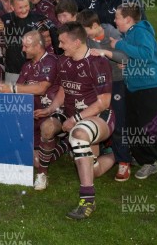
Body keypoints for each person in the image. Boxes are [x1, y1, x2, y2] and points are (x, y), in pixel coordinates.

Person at [37, 22, 115, 219]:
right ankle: (42, 174)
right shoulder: (64, 61)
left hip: (98, 116)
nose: (60, 46)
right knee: (47, 127)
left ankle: (87, 200)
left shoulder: (98, 62)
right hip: (72, 113)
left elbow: (103, 102)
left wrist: (75, 119)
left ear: (77, 42)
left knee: (78, 135)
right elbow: (63, 89)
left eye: (63, 42)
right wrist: (51, 108)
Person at [111, 3, 157, 181]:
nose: (114, 20)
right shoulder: (129, 33)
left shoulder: (141, 31)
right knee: (133, 128)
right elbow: (138, 58)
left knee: (149, 128)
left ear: (128, 19)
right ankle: (148, 161)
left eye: (117, 17)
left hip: (150, 87)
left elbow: (147, 54)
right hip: (133, 87)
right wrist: (126, 65)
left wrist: (120, 44)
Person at [0, 31, 67, 180]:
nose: (23, 49)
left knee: (46, 131)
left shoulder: (51, 61)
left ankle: (63, 146)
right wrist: (4, 92)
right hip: (32, 115)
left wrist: (12, 89)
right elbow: (19, 91)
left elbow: (41, 88)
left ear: (38, 46)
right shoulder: (27, 66)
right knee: (35, 160)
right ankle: (62, 145)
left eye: (26, 46)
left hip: (53, 112)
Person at [77, 9, 130, 181]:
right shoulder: (89, 38)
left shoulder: (112, 33)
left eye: (85, 31)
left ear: (94, 26)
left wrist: (105, 53)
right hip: (99, 84)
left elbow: (126, 57)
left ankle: (124, 162)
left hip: (117, 82)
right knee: (100, 117)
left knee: (118, 120)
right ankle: (99, 153)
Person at [0, 0, 59, 85]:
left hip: (34, 70)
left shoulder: (39, 18)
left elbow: (55, 32)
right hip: (12, 70)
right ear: (12, 7)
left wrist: (58, 53)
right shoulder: (4, 19)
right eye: (20, 7)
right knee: (13, 99)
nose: (24, 10)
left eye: (26, 6)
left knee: (33, 98)